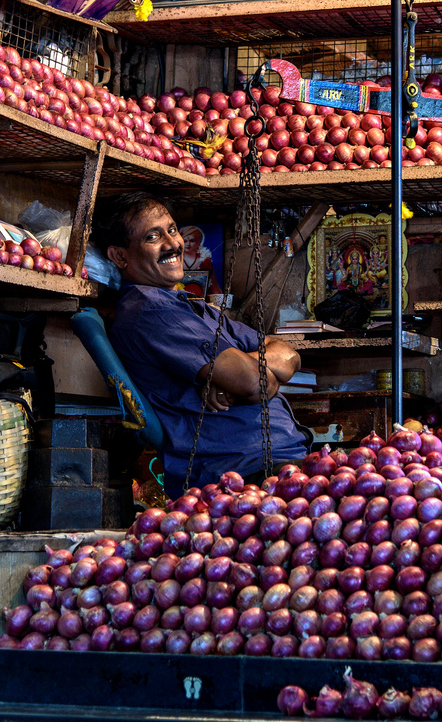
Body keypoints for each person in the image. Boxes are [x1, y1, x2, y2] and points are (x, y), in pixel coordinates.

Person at [92, 191, 313, 497]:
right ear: (119, 256)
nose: (173, 244)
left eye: (172, 230)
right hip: (241, 475)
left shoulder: (193, 306)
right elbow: (257, 384)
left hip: (274, 462)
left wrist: (235, 373)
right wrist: (244, 374)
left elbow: (289, 355)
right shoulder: (152, 311)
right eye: (153, 237)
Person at [180, 224, 222, 296]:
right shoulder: (175, 259)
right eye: (185, 241)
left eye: (192, 240)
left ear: (199, 242)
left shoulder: (204, 260)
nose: (188, 244)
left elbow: (214, 287)